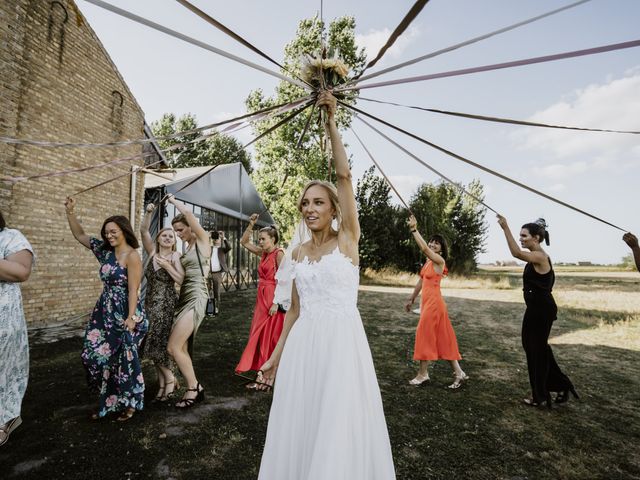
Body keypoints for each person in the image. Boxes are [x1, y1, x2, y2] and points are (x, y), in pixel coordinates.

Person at [256, 91, 396, 479]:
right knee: (303, 423)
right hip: (304, 347)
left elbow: (344, 176)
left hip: (341, 344)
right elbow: (295, 311)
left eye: (318, 202)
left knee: (338, 423)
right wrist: (276, 356)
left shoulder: (348, 240)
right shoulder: (297, 254)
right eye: (305, 203)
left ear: (333, 208)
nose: (310, 208)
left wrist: (332, 119)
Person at [64, 197, 147, 421]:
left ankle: (130, 402)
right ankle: (110, 400)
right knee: (93, 354)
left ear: (124, 231)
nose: (109, 236)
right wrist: (70, 212)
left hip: (125, 310)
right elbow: (80, 235)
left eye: (113, 232)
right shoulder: (103, 250)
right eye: (106, 232)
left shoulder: (132, 256)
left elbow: (133, 290)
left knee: (125, 358)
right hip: (104, 311)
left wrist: (131, 318)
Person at [497, 214, 578, 408]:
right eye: (520, 236)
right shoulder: (536, 256)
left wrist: (505, 227)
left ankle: (540, 396)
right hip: (535, 309)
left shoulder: (540, 256)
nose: (521, 239)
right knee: (534, 348)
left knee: (536, 351)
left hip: (542, 310)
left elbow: (516, 253)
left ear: (536, 238)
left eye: (524, 236)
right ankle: (560, 385)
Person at [404, 215, 468, 389]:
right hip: (428, 304)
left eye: (436, 243)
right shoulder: (427, 263)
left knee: (423, 335)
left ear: (441, 249)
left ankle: (423, 374)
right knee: (443, 339)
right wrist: (412, 298)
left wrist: (414, 229)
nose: (432, 244)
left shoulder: (439, 261)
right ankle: (459, 372)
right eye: (431, 242)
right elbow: (421, 281)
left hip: (435, 306)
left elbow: (424, 248)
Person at [166, 195, 210, 408]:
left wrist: (172, 200)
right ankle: (194, 387)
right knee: (179, 347)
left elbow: (190, 214)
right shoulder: (186, 249)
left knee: (173, 347)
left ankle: (193, 388)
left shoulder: (203, 240)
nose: (179, 235)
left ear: (191, 228)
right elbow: (182, 277)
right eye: (176, 232)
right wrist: (168, 266)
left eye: (181, 230)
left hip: (197, 295)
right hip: (184, 295)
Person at [140, 203, 184, 402]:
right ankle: (163, 382)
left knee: (158, 341)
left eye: (171, 236)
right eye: (164, 235)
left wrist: (168, 266)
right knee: (151, 342)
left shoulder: (175, 255)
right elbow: (143, 230)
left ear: (174, 242)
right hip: (149, 303)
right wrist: (149, 212)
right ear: (158, 238)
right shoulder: (151, 252)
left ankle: (169, 378)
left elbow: (181, 280)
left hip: (166, 304)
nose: (168, 237)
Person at [236, 215, 285, 388]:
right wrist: (251, 224)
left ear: (273, 239)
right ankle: (261, 373)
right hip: (261, 297)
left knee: (269, 336)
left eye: (263, 239)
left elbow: (285, 280)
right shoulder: (263, 253)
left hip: (273, 298)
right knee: (258, 334)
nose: (260, 242)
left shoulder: (279, 255)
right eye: (260, 239)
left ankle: (264, 377)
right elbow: (243, 242)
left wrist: (276, 302)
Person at [0, 210, 34, 446]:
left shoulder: (11, 237)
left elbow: (21, 271)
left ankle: (4, 419)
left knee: (4, 369)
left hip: (3, 320)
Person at [209, 230, 230, 314]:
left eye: (217, 238)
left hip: (217, 273)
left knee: (216, 291)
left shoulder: (222, 249)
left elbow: (229, 247)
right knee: (208, 291)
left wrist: (223, 237)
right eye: (215, 238)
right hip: (208, 272)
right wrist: (208, 236)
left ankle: (216, 308)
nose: (216, 240)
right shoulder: (208, 248)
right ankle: (210, 309)